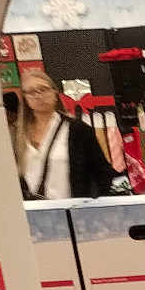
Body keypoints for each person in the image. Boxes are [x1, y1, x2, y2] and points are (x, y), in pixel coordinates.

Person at [12, 68, 115, 201]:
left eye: (43, 89)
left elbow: (103, 175)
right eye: (31, 92)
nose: (38, 95)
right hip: (33, 212)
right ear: (25, 98)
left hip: (71, 211)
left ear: (55, 92)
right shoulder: (18, 134)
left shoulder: (78, 130)